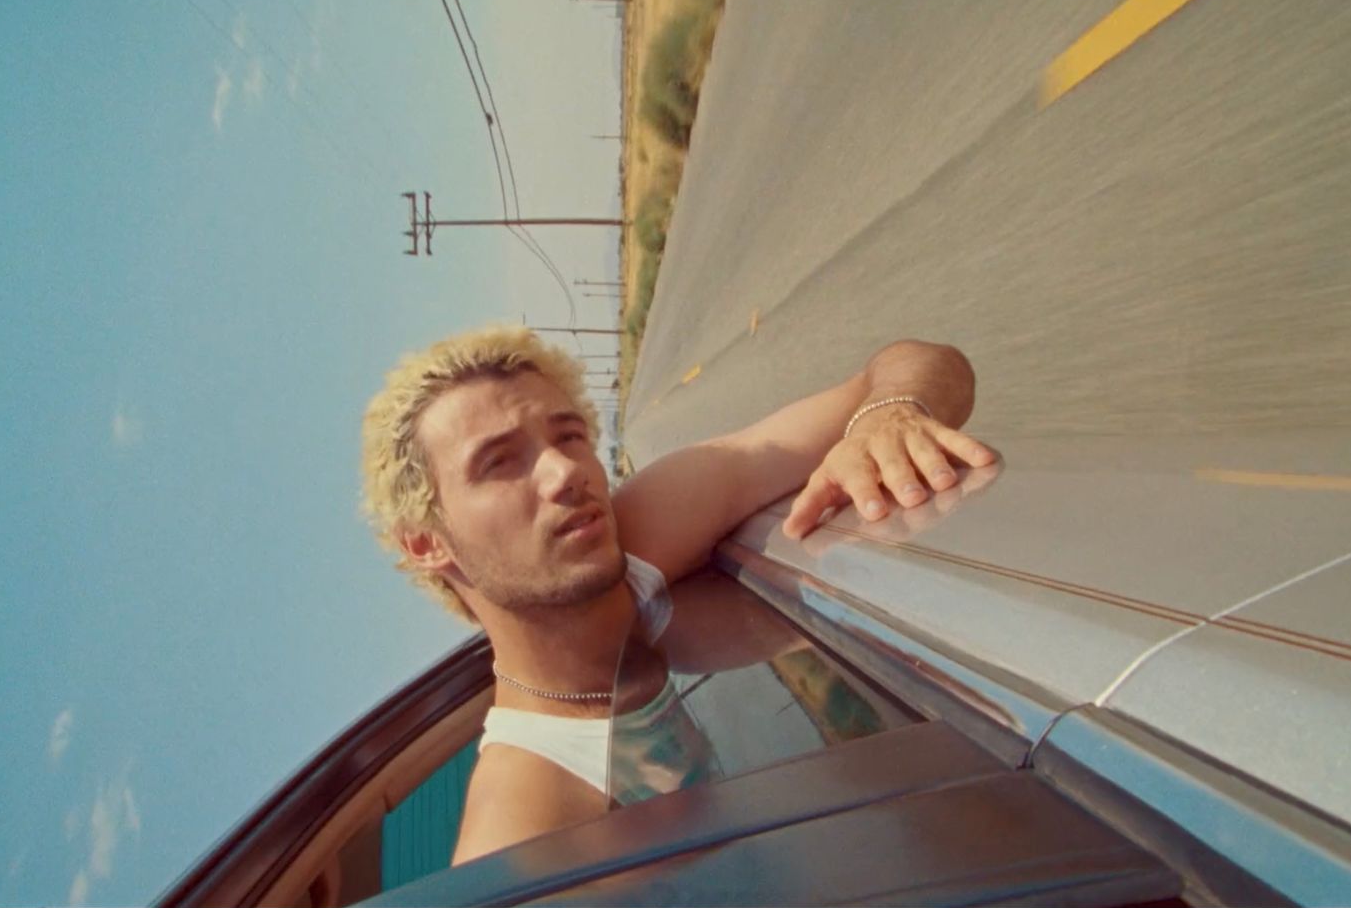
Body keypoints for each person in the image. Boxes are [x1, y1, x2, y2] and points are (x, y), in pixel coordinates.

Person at [359, 325, 995, 865]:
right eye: (500, 462)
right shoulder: (528, 827)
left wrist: (888, 416)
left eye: (569, 435)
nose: (565, 474)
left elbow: (921, 363)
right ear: (427, 544)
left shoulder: (638, 540)